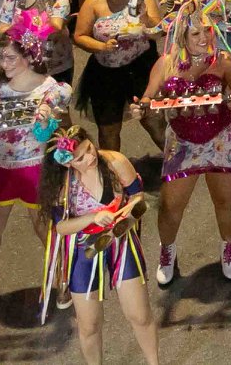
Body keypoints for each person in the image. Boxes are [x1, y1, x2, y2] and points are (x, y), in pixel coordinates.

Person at [133, 0, 231, 287]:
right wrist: (142, 108)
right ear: (182, 37)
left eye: (207, 32)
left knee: (225, 200)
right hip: (182, 143)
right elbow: (148, 99)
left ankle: (228, 247)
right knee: (172, 205)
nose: (203, 39)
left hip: (220, 139)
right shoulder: (166, 64)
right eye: (195, 34)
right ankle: (167, 250)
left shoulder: (224, 60)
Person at [0, 16, 69, 313]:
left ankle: (62, 279)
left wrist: (45, 122)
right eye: (1, 56)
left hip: (35, 167)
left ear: (28, 57)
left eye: (10, 57)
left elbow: (45, 135)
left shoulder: (49, 90)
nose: (3, 63)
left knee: (44, 227)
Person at [40, 124, 161, 365]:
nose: (90, 158)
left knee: (139, 314)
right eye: (80, 158)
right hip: (83, 247)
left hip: (120, 238)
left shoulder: (114, 162)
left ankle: (153, 362)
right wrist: (91, 218)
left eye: (89, 149)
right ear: (66, 163)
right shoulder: (62, 185)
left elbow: (139, 198)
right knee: (89, 325)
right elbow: (61, 227)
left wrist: (128, 212)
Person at [74, 0, 162, 152]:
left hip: (141, 68)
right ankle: (113, 173)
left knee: (153, 122)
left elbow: (159, 32)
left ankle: (176, 165)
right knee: (108, 131)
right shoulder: (93, 2)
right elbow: (79, 36)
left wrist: (146, 19)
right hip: (106, 73)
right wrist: (101, 47)